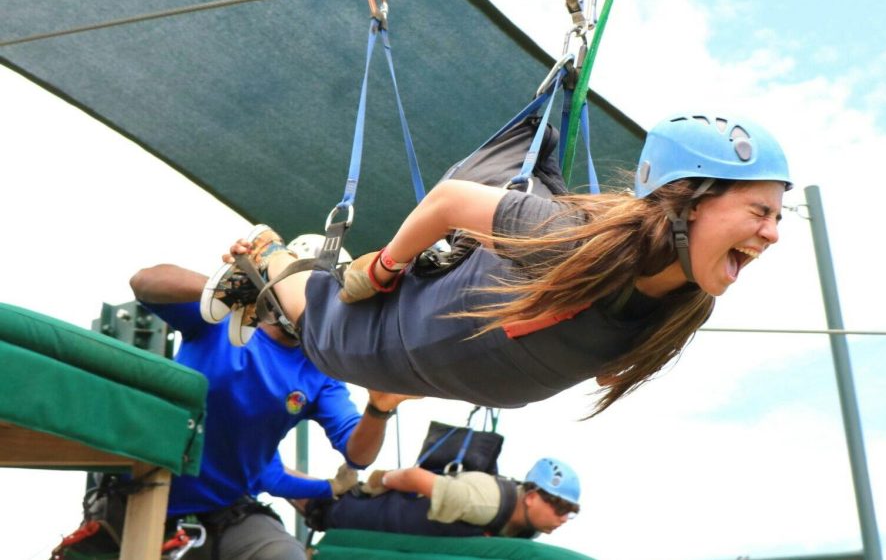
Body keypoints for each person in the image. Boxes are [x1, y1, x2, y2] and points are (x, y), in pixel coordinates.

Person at [208, 113, 792, 415]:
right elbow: (450, 203)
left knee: (317, 335)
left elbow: (605, 365)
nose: (771, 234)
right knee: (319, 327)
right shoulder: (573, 239)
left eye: (779, 217)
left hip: (442, 365)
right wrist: (385, 267)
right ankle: (272, 254)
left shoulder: (687, 304)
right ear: (689, 199)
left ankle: (284, 300)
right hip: (401, 338)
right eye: (760, 211)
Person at [128, 257, 416, 560]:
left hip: (225, 512)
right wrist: (229, 289)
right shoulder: (223, 318)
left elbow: (358, 454)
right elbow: (144, 283)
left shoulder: (319, 373)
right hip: (142, 488)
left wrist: (378, 409)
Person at [298, 458, 581, 539]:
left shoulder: (526, 531)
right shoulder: (485, 502)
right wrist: (375, 485)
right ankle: (259, 467)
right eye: (559, 507)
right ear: (531, 497)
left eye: (570, 513)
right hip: (381, 512)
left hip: (406, 533)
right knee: (325, 510)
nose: (563, 518)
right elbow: (413, 477)